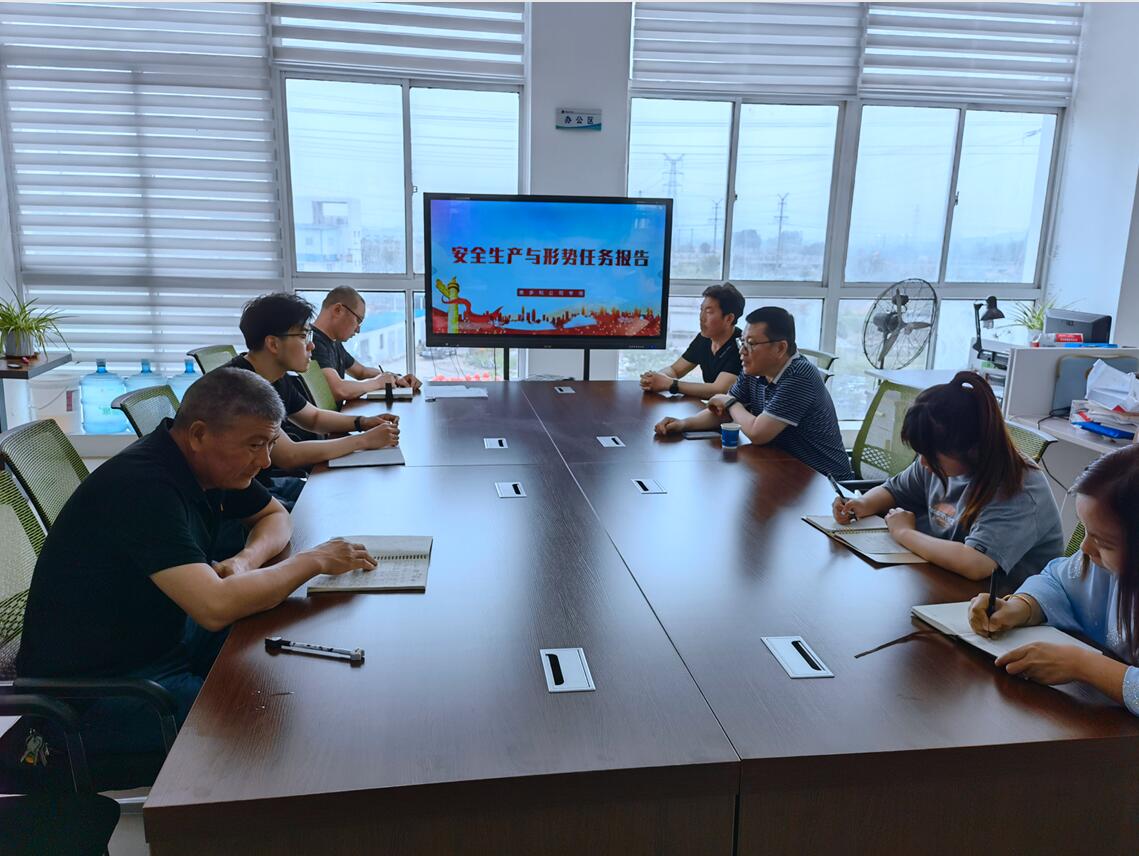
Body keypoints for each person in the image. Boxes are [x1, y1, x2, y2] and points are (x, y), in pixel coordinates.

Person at [16, 368, 377, 755]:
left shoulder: (205, 463)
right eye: (255, 445)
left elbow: (275, 516)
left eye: (270, 443)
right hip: (100, 693)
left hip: (165, 637)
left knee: (290, 659)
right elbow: (215, 606)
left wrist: (245, 561)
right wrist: (312, 561)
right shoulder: (143, 487)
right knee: (274, 733)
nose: (266, 460)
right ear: (200, 434)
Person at [833, 371, 1062, 586]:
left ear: (971, 448)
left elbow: (975, 564)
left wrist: (904, 532)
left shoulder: (1019, 488)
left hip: (1002, 600)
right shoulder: (938, 462)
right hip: (945, 581)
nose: (923, 463)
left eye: (932, 456)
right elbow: (894, 490)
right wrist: (861, 504)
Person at [967, 444, 1139, 716]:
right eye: (1085, 530)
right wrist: (1020, 607)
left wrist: (1083, 665)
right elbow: (1058, 581)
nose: (1084, 547)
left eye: (1104, 542)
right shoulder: (1099, 565)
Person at [223, 293, 400, 498]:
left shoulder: (275, 376)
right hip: (240, 496)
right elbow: (289, 455)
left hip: (266, 483)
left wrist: (363, 422)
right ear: (273, 344)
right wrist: (364, 441)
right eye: (302, 336)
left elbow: (314, 418)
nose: (311, 346)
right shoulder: (242, 389)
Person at [654, 306, 852, 479]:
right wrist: (684, 424)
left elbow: (758, 433)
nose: (742, 351)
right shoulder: (755, 370)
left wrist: (731, 403)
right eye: (742, 342)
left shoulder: (799, 376)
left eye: (751, 344)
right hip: (782, 467)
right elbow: (722, 411)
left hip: (825, 483)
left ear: (780, 348)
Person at [311, 285, 422, 404]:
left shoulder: (333, 342)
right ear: (338, 310)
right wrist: (377, 383)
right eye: (358, 320)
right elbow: (338, 390)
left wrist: (395, 378)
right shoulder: (312, 343)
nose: (358, 330)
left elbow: (361, 372)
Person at [640, 283, 743, 398]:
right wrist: (655, 378)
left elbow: (719, 389)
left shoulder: (742, 346)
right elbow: (675, 370)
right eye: (701, 310)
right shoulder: (704, 339)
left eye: (709, 312)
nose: (701, 318)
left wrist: (670, 384)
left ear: (729, 318)